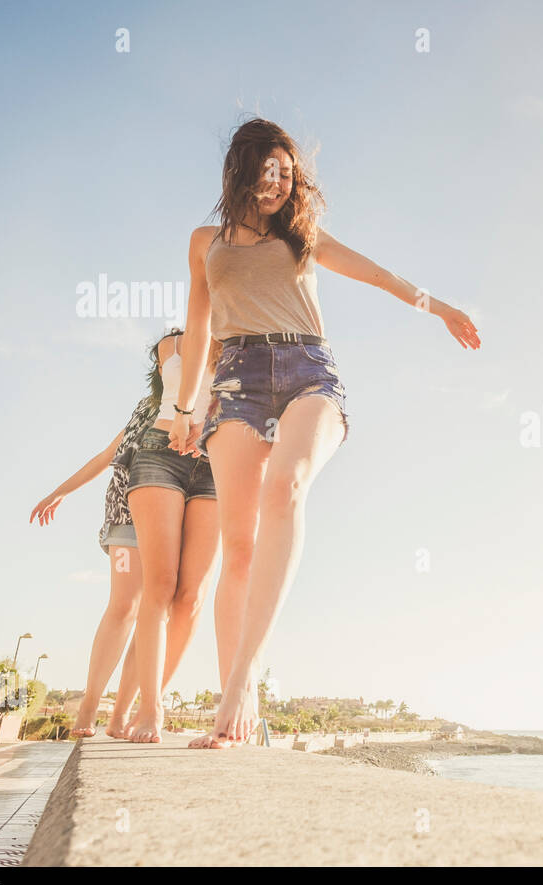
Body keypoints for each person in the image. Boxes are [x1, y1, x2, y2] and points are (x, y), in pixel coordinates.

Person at [168, 118, 480, 749]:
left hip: (308, 369)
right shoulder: (206, 241)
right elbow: (198, 330)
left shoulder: (304, 237)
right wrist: (183, 407)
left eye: (287, 172)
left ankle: (236, 691)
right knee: (240, 547)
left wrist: (441, 306)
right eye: (268, 170)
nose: (278, 182)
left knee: (285, 489)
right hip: (235, 379)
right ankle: (242, 692)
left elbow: (380, 275)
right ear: (243, 172)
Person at [28, 331, 215, 738]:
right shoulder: (149, 408)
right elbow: (105, 455)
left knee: (162, 601)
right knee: (125, 603)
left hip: (177, 510)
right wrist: (60, 492)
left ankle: (122, 715)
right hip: (126, 514)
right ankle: (87, 710)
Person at [123, 329, 222, 743]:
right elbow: (191, 385)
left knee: (192, 596)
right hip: (163, 449)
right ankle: (150, 710)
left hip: (216, 461)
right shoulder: (175, 343)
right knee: (160, 585)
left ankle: (152, 697)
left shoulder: (248, 338)